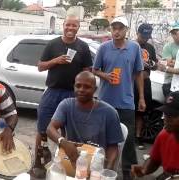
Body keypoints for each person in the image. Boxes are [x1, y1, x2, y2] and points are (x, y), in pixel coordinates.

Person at [33, 15, 93, 177]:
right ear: (63, 25)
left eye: (74, 26)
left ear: (78, 28)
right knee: (43, 128)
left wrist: (83, 87)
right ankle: (37, 162)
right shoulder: (53, 44)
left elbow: (88, 70)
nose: (71, 28)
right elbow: (40, 67)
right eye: (68, 25)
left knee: (70, 132)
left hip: (72, 95)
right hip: (52, 91)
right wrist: (56, 61)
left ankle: (67, 164)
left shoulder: (83, 47)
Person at [93, 16, 145, 179]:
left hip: (126, 101)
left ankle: (128, 173)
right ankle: (101, 169)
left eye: (120, 28)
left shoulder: (134, 48)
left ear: (126, 30)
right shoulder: (103, 48)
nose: (116, 31)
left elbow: (138, 74)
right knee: (102, 137)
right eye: (114, 28)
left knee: (128, 140)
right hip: (105, 101)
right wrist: (105, 76)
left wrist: (141, 98)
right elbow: (94, 70)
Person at [47, 71, 124, 169]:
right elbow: (50, 129)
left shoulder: (109, 113)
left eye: (87, 87)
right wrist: (63, 142)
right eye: (78, 86)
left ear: (95, 89)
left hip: (96, 164)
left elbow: (113, 147)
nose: (81, 90)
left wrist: (106, 170)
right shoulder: (66, 105)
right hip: (71, 159)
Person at [131, 91, 179, 179]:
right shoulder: (164, 135)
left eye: (172, 115)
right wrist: (144, 170)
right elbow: (155, 159)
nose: (166, 119)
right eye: (165, 114)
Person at [134, 23, 158, 150]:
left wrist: (151, 64)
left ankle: (138, 137)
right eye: (143, 35)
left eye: (147, 36)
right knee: (128, 110)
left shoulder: (150, 47)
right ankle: (127, 136)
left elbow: (155, 65)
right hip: (131, 83)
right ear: (137, 33)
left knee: (141, 112)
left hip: (146, 82)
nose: (145, 38)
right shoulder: (131, 45)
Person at [159, 23, 179, 97]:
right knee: (170, 107)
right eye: (172, 33)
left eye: (176, 33)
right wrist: (174, 63)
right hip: (169, 83)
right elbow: (164, 64)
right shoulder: (168, 47)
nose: (174, 35)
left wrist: (173, 62)